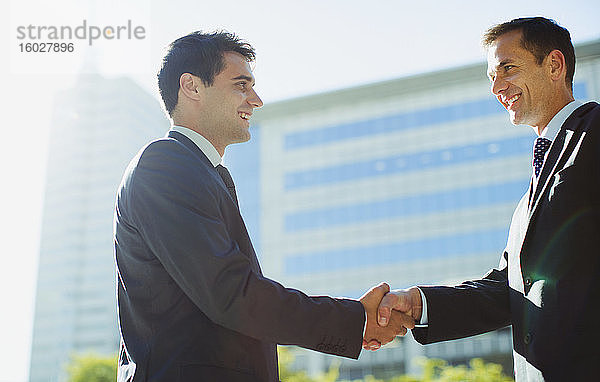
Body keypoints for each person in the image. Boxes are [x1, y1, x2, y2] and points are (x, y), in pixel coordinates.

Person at [114, 31, 413, 382]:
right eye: (241, 85)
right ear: (192, 87)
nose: (255, 100)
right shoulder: (165, 164)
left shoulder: (201, 172)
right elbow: (233, 294)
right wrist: (354, 320)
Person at [376, 17, 600, 381]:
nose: (497, 87)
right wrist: (420, 304)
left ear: (555, 65)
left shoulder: (594, 133)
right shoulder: (526, 202)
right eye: (491, 77)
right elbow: (505, 291)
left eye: (507, 68)